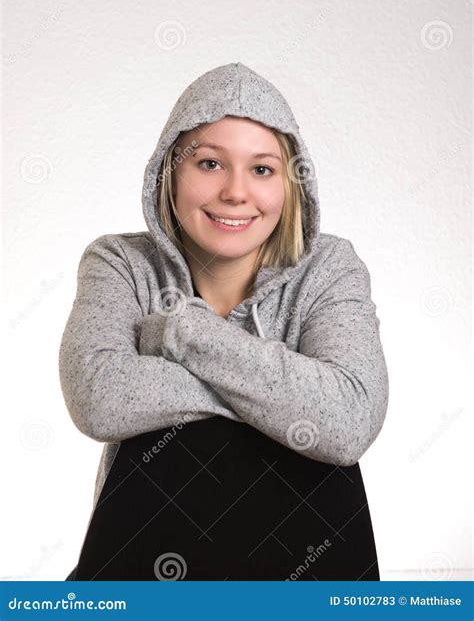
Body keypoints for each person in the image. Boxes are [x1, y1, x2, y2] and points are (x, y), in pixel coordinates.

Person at [60, 61, 389, 581]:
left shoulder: (330, 267)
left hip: (307, 589)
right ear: (171, 171)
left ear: (290, 184)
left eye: (262, 169)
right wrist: (287, 394)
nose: (236, 192)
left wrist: (182, 333)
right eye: (210, 164)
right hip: (143, 582)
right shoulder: (119, 262)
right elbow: (98, 399)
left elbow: (348, 423)